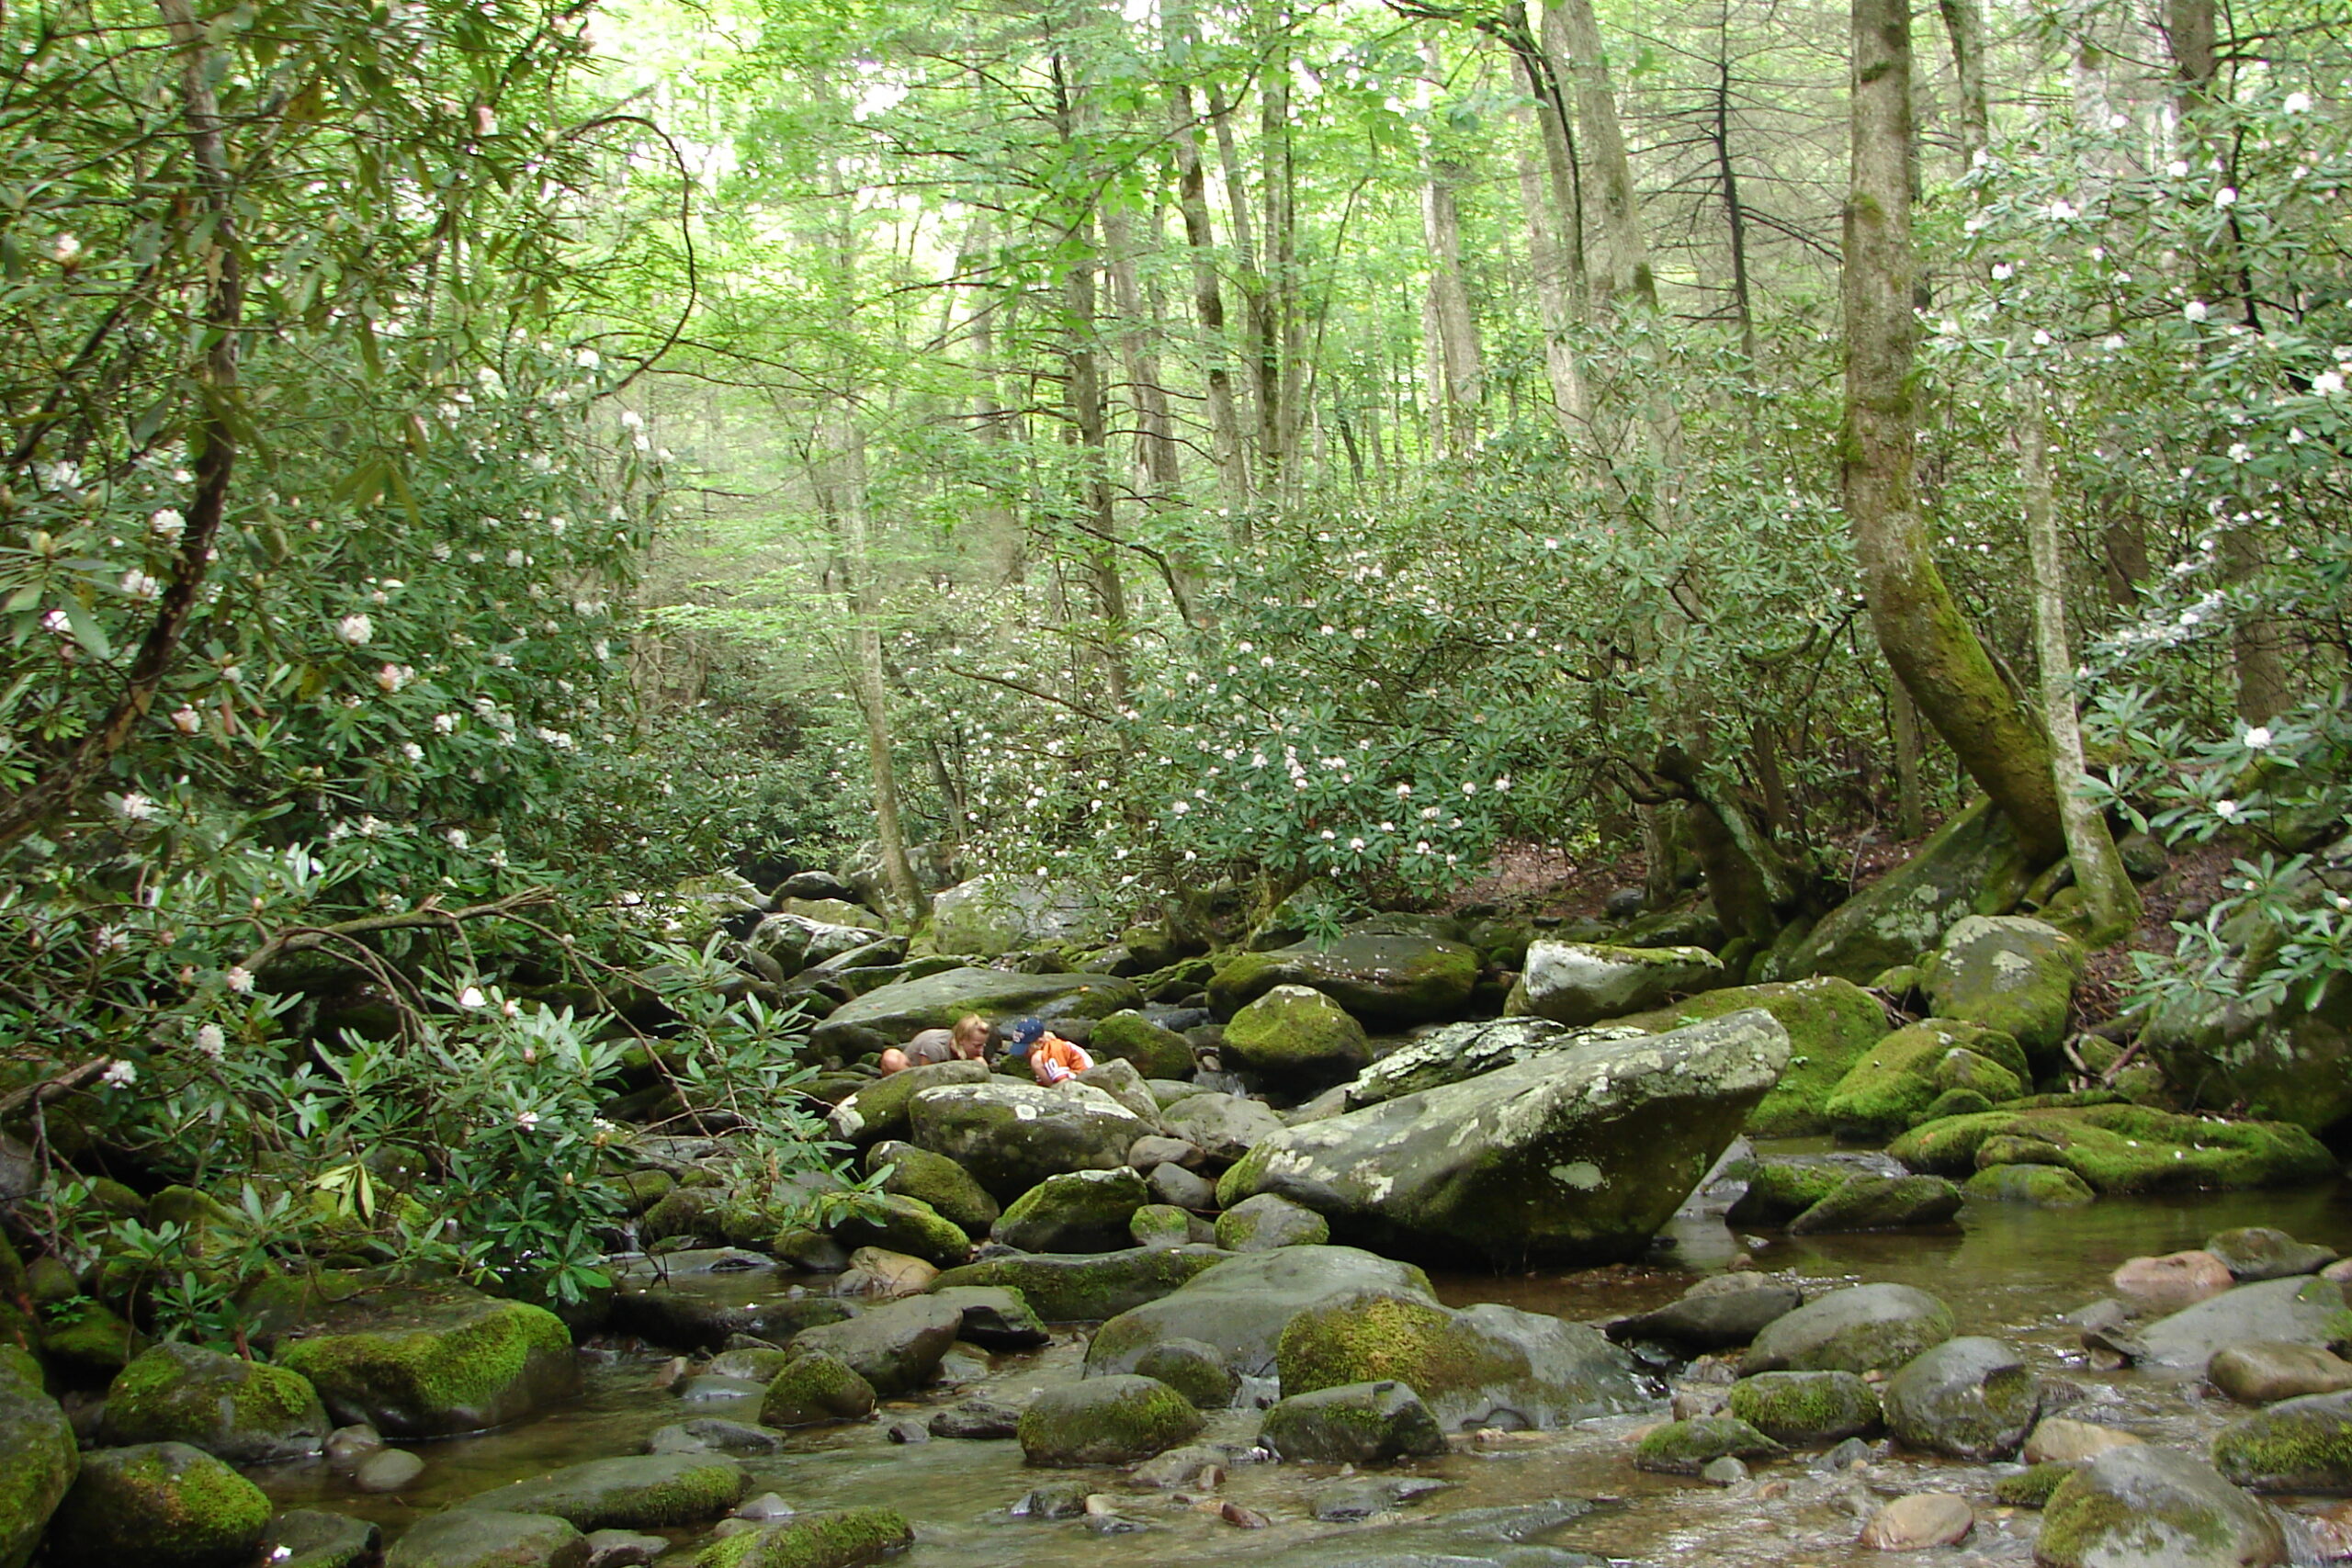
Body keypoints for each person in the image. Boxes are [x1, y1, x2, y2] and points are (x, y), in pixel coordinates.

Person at [878, 1012, 989, 1076]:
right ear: (961, 1040)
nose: (981, 1051)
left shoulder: (972, 1051)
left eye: (983, 1045)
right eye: (977, 1046)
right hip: (914, 1069)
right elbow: (926, 1076)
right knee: (891, 1058)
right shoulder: (935, 1047)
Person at [1003, 1017, 1093, 1086]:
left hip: (1081, 1078)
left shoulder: (1054, 1048)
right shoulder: (1047, 1048)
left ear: (1039, 1042)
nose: (1023, 1053)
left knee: (1036, 1060)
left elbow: (1063, 1081)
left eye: (1025, 1049)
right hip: (1077, 1077)